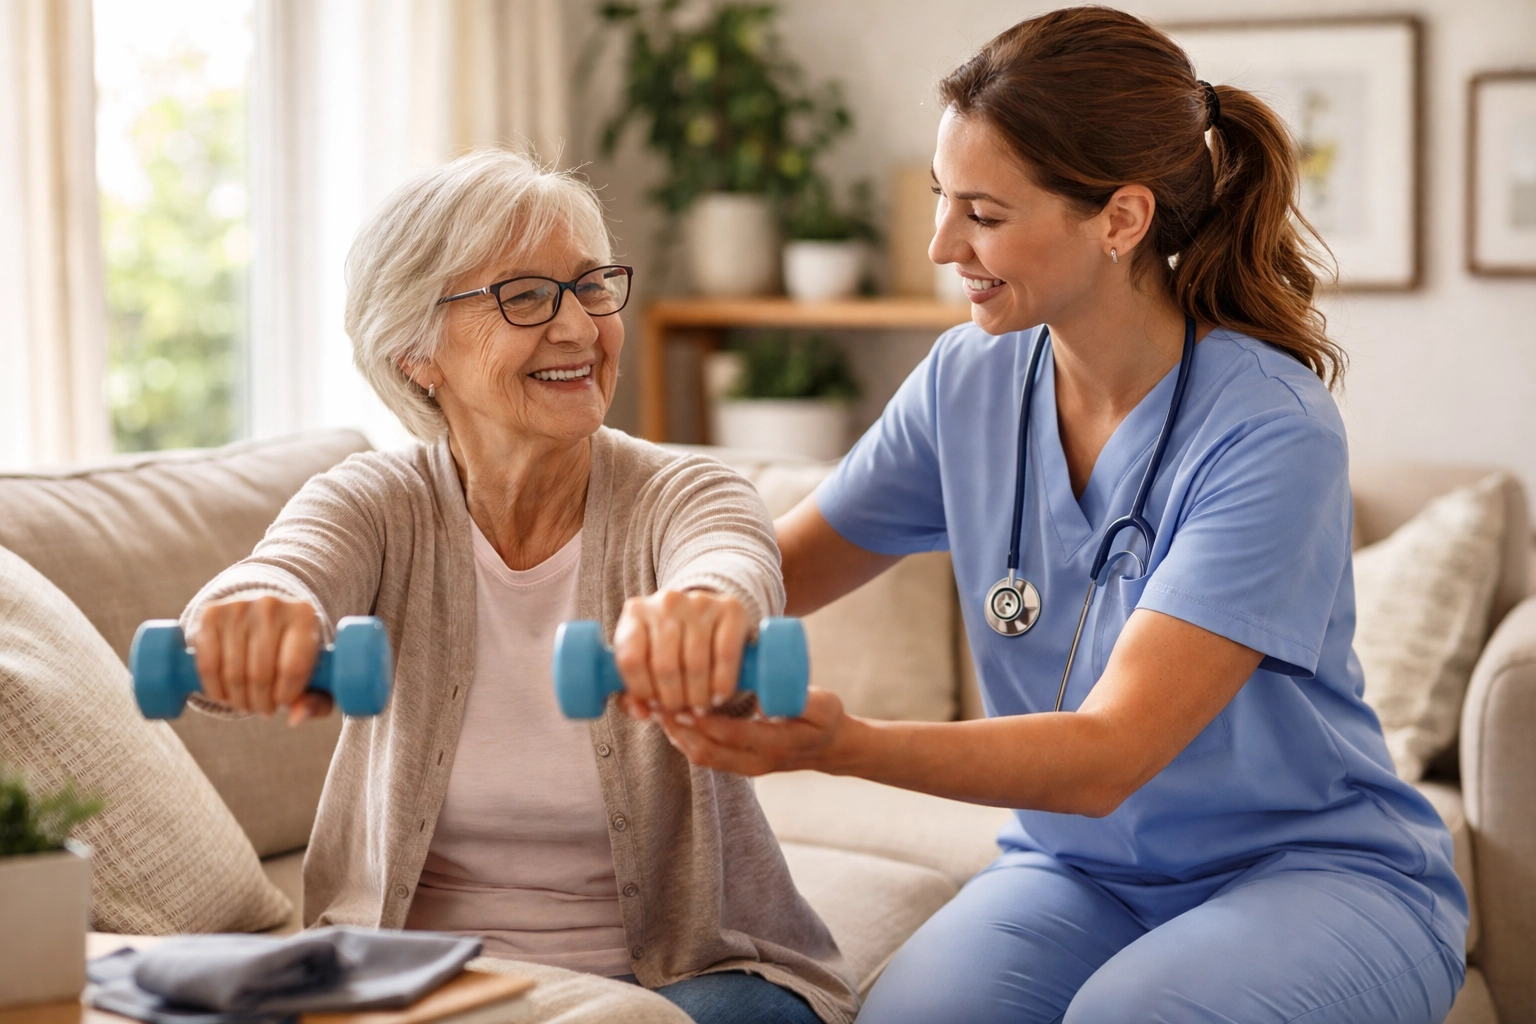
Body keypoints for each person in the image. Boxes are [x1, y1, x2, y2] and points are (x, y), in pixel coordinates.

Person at [655, 9, 1467, 1023]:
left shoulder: (1269, 428)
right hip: (1078, 872)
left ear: (1122, 219)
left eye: (983, 214)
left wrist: (838, 742)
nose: (940, 243)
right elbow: (782, 567)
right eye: (946, 201)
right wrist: (690, 606)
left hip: (1314, 872)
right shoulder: (968, 380)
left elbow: (1108, 755)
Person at [179, 149, 855, 1024]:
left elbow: (729, 562)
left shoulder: (684, 492)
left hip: (687, 976)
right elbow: (284, 568)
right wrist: (253, 619)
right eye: (525, 297)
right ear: (418, 353)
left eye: (589, 286)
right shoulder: (375, 502)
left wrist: (704, 616)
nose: (578, 328)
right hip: (419, 982)